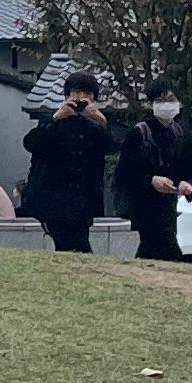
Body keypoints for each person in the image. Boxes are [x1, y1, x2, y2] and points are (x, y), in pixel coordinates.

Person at [20, 71, 111, 254]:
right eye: (76, 92)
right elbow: (30, 143)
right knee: (73, 246)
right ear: (67, 95)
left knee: (77, 245)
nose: (81, 98)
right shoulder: (53, 121)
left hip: (83, 202)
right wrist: (56, 117)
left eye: (87, 94)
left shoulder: (94, 127)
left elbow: (111, 146)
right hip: (53, 201)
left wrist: (101, 120)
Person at [118, 84, 192, 263]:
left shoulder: (180, 134)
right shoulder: (139, 133)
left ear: (179, 103)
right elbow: (124, 172)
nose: (166, 105)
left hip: (168, 208)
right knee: (161, 250)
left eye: (171, 100)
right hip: (142, 207)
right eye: (160, 101)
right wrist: (151, 180)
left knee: (158, 252)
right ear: (150, 104)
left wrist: (187, 184)